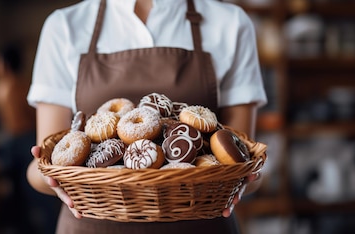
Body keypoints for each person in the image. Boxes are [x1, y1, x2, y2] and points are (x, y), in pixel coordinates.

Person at [25, 0, 267, 233]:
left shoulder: (231, 23)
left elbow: (242, 162)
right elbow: (44, 166)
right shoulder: (64, 26)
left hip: (201, 225)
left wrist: (243, 180)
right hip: (90, 226)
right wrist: (50, 178)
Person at [0, 43, 60, 234]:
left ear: (4, 64)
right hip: (18, 141)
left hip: (17, 142)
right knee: (28, 193)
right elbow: (31, 115)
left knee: (24, 192)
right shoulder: (20, 85)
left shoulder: (3, 88)